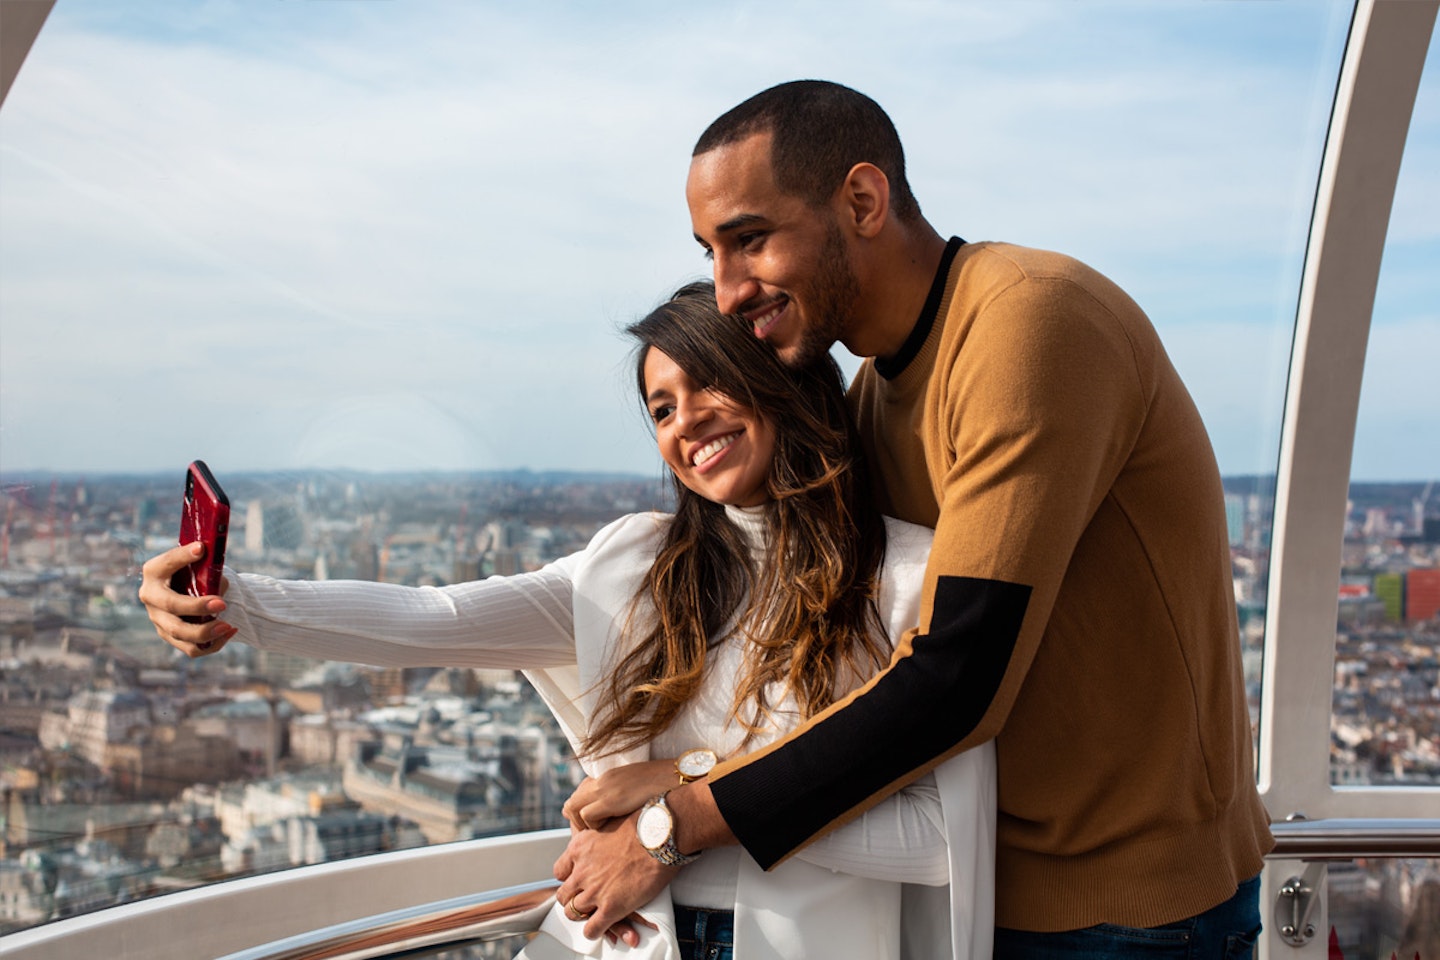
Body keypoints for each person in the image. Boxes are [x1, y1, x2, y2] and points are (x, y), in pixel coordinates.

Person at [555, 81, 1274, 957]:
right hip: (976, 894)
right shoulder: (875, 397)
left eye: (750, 240)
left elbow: (952, 676)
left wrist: (675, 822)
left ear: (862, 200)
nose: (728, 289)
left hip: (1127, 911)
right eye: (710, 252)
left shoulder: (1030, 324)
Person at [138, 281, 996, 960]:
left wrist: (680, 793)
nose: (685, 420)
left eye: (710, 381)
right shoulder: (630, 568)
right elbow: (434, 620)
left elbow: (937, 845)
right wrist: (236, 605)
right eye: (660, 407)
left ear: (781, 380)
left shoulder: (909, 579)